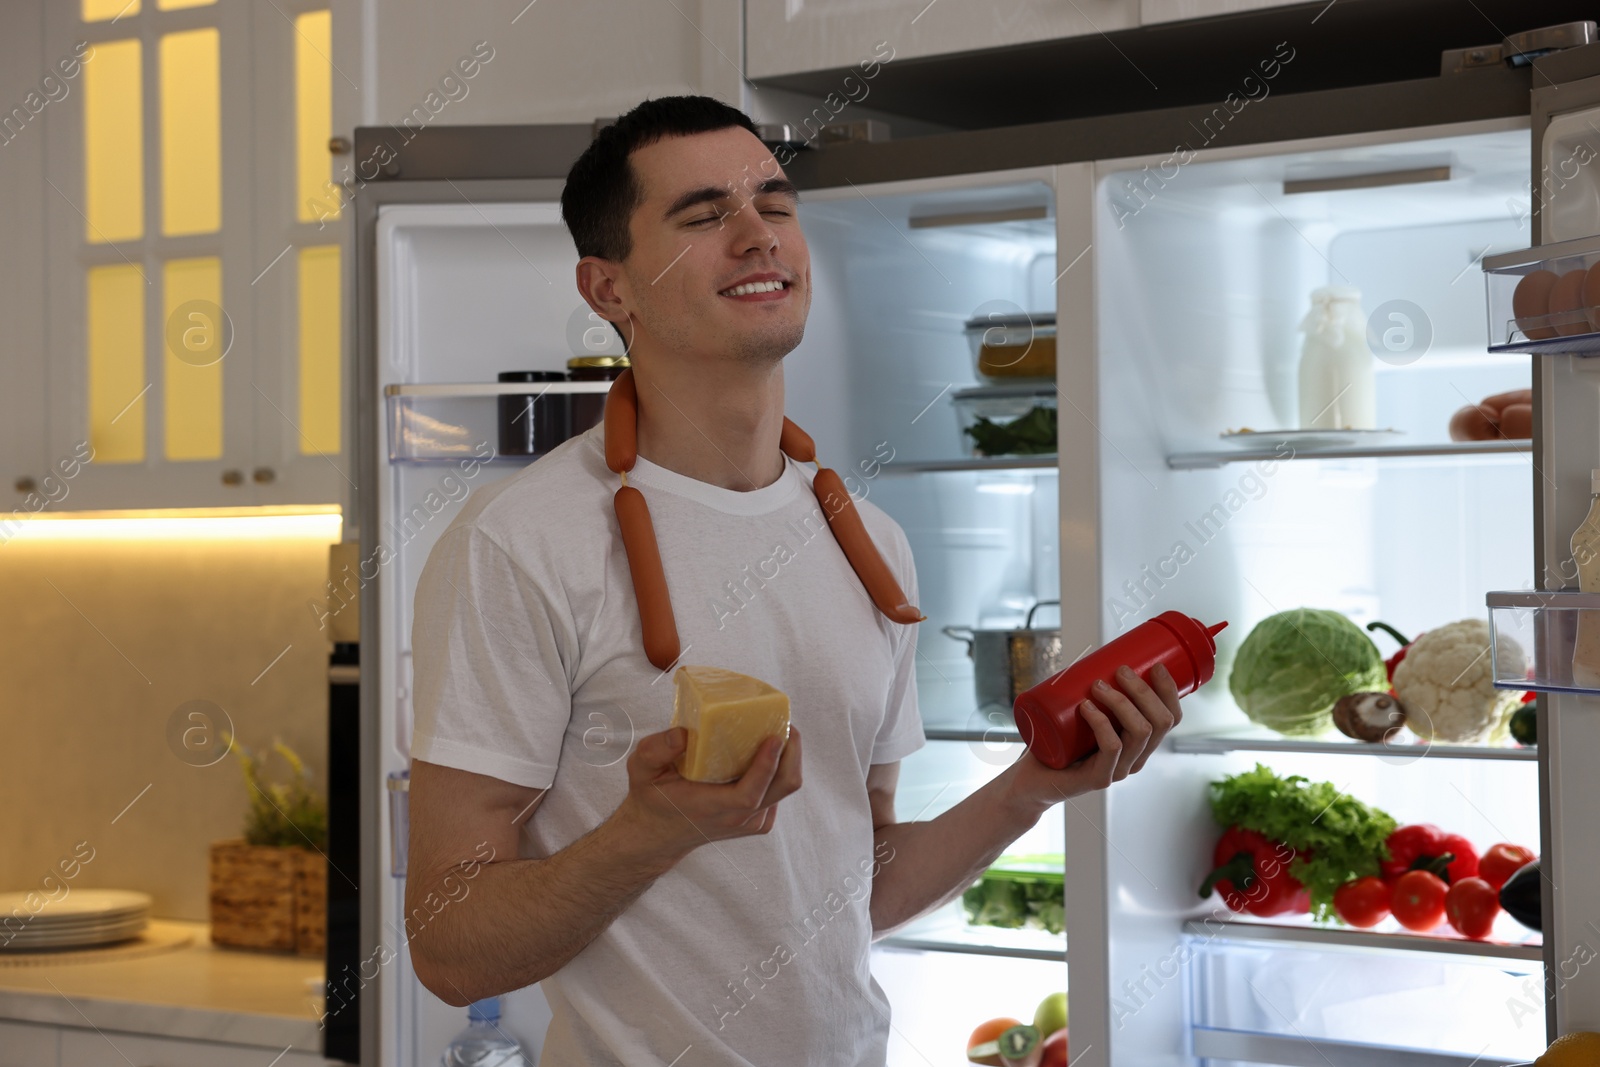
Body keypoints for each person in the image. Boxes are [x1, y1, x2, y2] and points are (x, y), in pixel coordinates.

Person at [406, 94, 1182, 1066]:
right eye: (701, 215)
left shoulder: (872, 547)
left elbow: (858, 887)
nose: (755, 235)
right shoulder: (522, 542)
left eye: (773, 205)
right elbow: (448, 946)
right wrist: (648, 831)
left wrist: (1031, 787)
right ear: (610, 289)